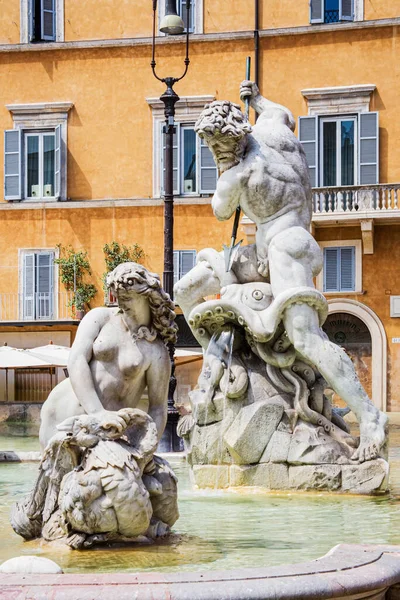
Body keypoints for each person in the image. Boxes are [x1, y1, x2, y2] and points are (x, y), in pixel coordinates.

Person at [175, 81, 387, 463]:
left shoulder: (235, 175)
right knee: (185, 292)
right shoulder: (270, 129)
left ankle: (370, 417)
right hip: (262, 253)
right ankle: (228, 365)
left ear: (225, 144)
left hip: (287, 245)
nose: (214, 154)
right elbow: (282, 113)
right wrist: (257, 99)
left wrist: (226, 168)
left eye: (215, 149)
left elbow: (221, 210)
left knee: (305, 338)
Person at [39, 262, 177, 449]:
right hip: (62, 412)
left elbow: (158, 408)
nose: (121, 303)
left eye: (127, 297)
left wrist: (145, 448)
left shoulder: (156, 350)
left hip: (108, 431)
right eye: (118, 296)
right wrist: (97, 411)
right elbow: (76, 359)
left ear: (147, 296)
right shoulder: (100, 318)